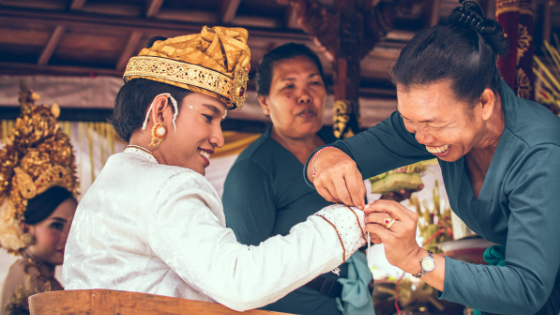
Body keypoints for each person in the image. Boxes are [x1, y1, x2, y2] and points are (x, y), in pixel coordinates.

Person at [62, 27, 368, 313]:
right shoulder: (166, 186)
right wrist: (350, 222)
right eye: (209, 116)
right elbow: (240, 282)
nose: (219, 137)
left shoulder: (111, 186)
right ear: (161, 111)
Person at [305, 1, 560, 315]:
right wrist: (326, 160)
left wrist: (415, 259)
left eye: (433, 124)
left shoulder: (540, 154)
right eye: (409, 121)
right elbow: (340, 155)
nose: (421, 139)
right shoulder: (429, 126)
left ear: (484, 103)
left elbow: (526, 289)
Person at [223, 43, 374, 315]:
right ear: (265, 103)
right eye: (288, 87)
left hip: (352, 302)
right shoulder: (253, 170)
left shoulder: (338, 150)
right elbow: (244, 272)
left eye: (313, 83)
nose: (304, 96)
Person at [0, 84, 79, 315]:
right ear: (26, 227)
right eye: (56, 225)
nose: (67, 237)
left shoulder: (29, 269)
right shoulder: (32, 277)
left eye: (71, 226)